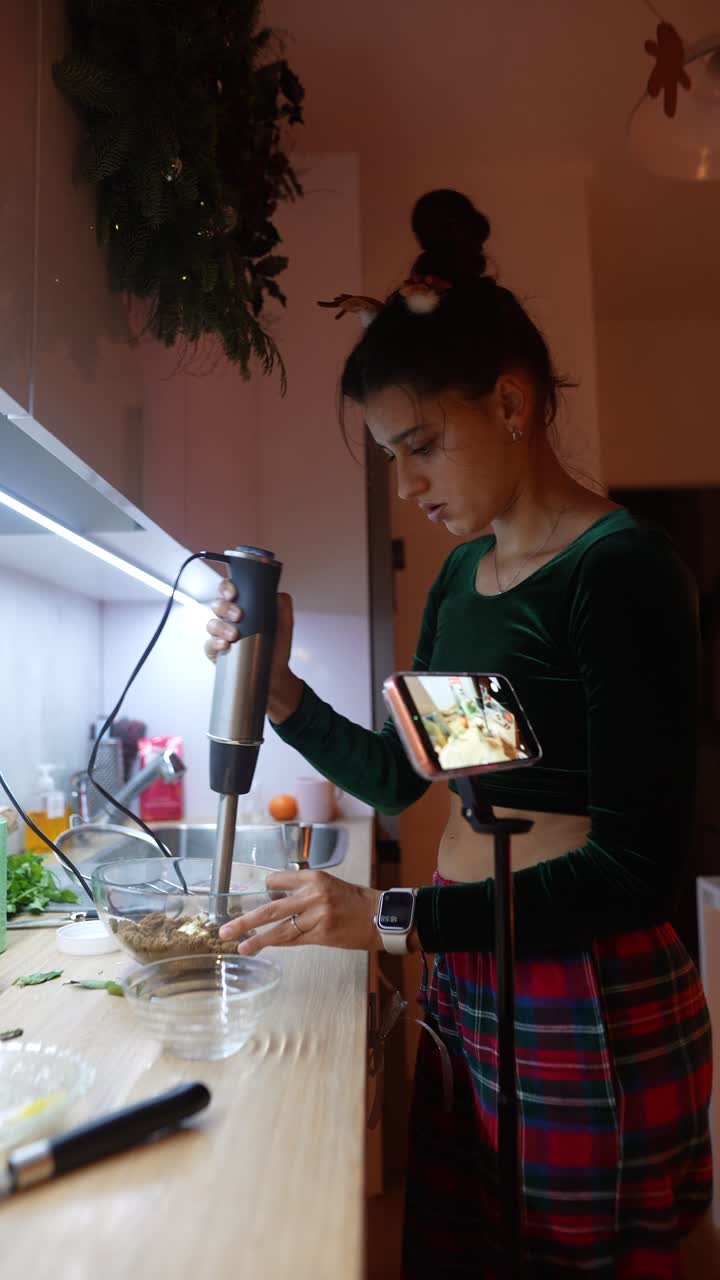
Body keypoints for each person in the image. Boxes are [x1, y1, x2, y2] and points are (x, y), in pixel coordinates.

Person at [204, 190, 715, 1278]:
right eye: (391, 453)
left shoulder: (620, 572)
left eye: (423, 443)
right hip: (468, 978)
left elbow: (633, 869)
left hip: (585, 992)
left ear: (515, 402)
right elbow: (401, 776)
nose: (409, 482)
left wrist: (391, 914)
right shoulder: (461, 581)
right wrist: (282, 686)